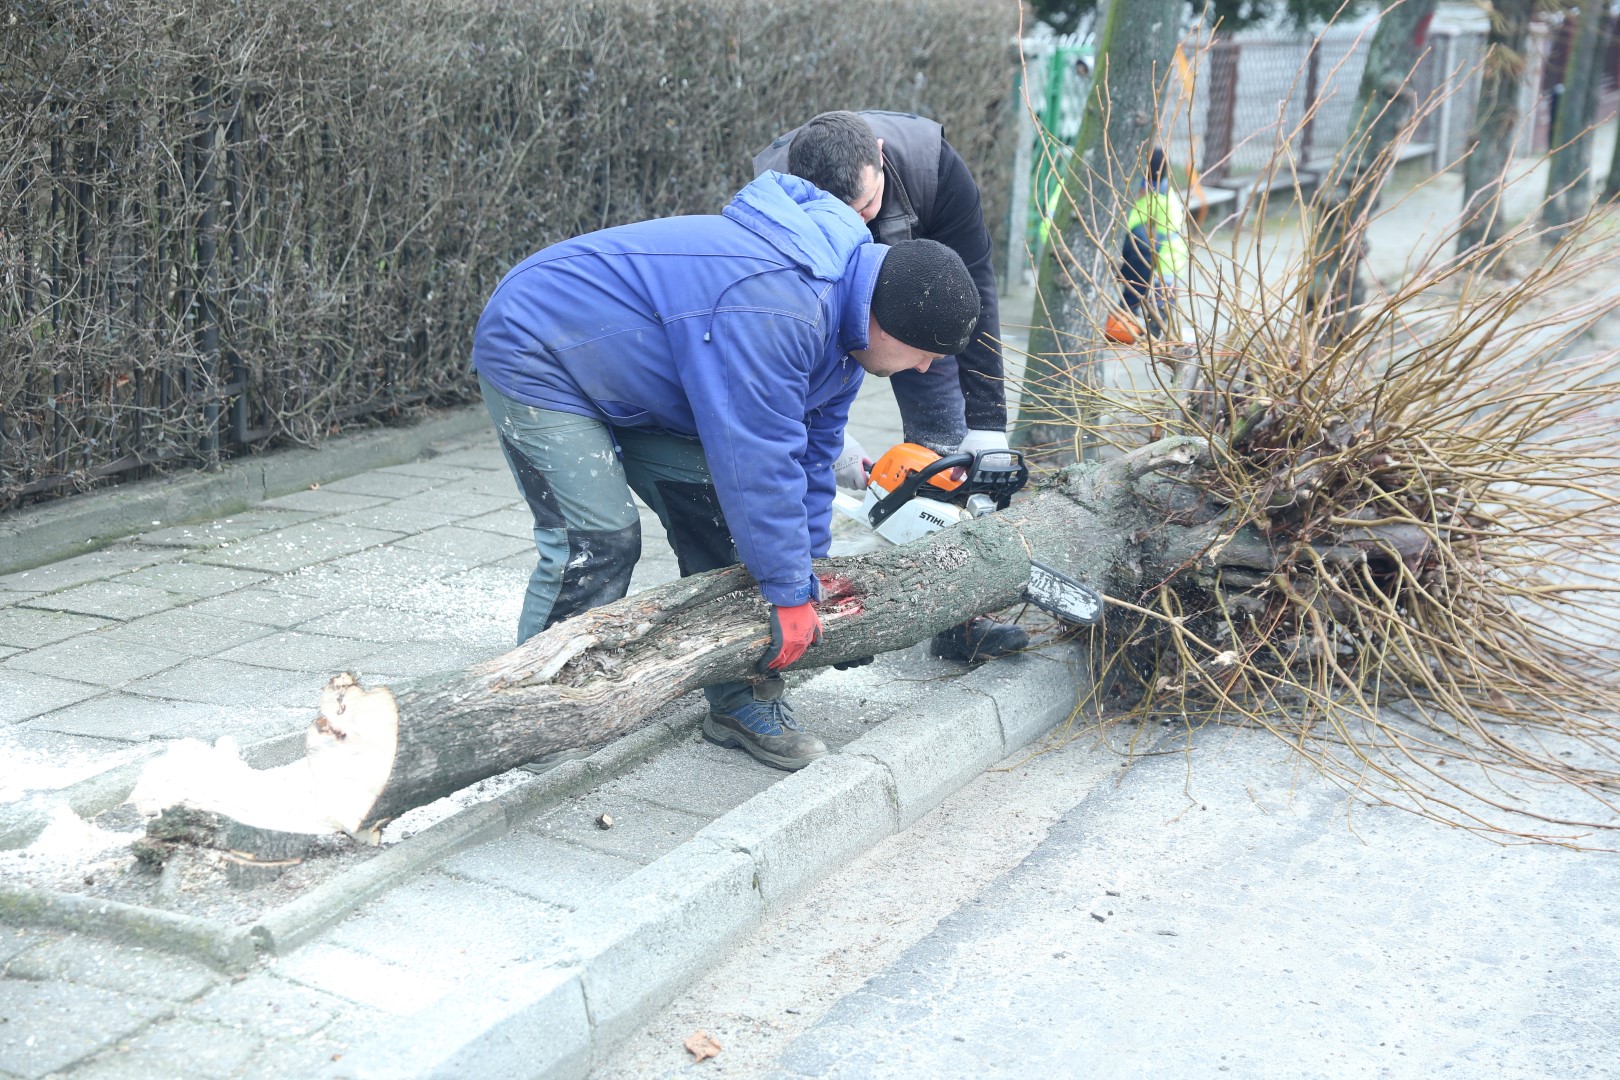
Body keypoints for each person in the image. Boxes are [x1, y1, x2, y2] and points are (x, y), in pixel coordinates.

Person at [471, 171, 980, 772]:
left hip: (644, 372)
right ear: (886, 324)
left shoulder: (846, 333)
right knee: (599, 539)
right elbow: (757, 466)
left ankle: (740, 702)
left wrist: (809, 578)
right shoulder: (780, 310)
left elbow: (809, 460)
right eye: (924, 353)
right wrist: (788, 596)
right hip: (541, 345)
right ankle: (533, 722)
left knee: (725, 518)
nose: (923, 369)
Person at [754, 109, 1029, 664]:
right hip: (825, 320)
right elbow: (767, 331)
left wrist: (988, 421)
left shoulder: (935, 172)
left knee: (945, 450)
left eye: (866, 208)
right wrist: (822, 432)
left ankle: (961, 613)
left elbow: (973, 291)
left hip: (916, 311)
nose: (857, 222)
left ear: (879, 157)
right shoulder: (771, 197)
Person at [1119, 147, 1187, 340]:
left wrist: (1161, 281)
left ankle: (1148, 322)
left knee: (1159, 297)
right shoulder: (1144, 195)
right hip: (1141, 257)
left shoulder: (1162, 203)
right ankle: (1130, 314)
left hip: (1161, 262)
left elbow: (1168, 247)